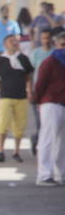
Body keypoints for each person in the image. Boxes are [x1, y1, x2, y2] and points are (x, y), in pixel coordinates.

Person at [0, 33, 34, 164]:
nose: (14, 43)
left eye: (15, 41)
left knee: (19, 126)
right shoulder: (1, 60)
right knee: (3, 125)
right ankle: (0, 150)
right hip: (6, 96)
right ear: (5, 44)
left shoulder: (23, 58)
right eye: (11, 41)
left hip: (21, 96)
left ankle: (16, 151)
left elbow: (28, 76)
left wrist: (28, 89)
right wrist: (2, 87)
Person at [34, 27, 65, 186]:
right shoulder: (50, 62)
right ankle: (44, 174)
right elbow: (40, 84)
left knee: (62, 142)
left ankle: (61, 173)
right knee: (48, 140)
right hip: (50, 103)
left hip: (61, 103)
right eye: (62, 44)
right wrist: (39, 101)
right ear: (57, 44)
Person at [31, 27, 53, 157]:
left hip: (52, 94)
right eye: (44, 38)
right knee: (40, 123)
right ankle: (36, 142)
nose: (46, 40)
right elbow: (29, 73)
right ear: (40, 39)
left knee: (52, 124)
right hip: (38, 93)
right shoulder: (35, 53)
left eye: (48, 38)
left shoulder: (55, 53)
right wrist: (29, 90)